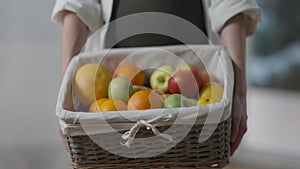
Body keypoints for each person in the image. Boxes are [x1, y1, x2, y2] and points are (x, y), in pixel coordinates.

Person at [52, 0, 262, 156]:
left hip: (196, 94)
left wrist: (239, 96)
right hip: (114, 96)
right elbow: (76, 8)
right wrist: (66, 98)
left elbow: (231, 7)